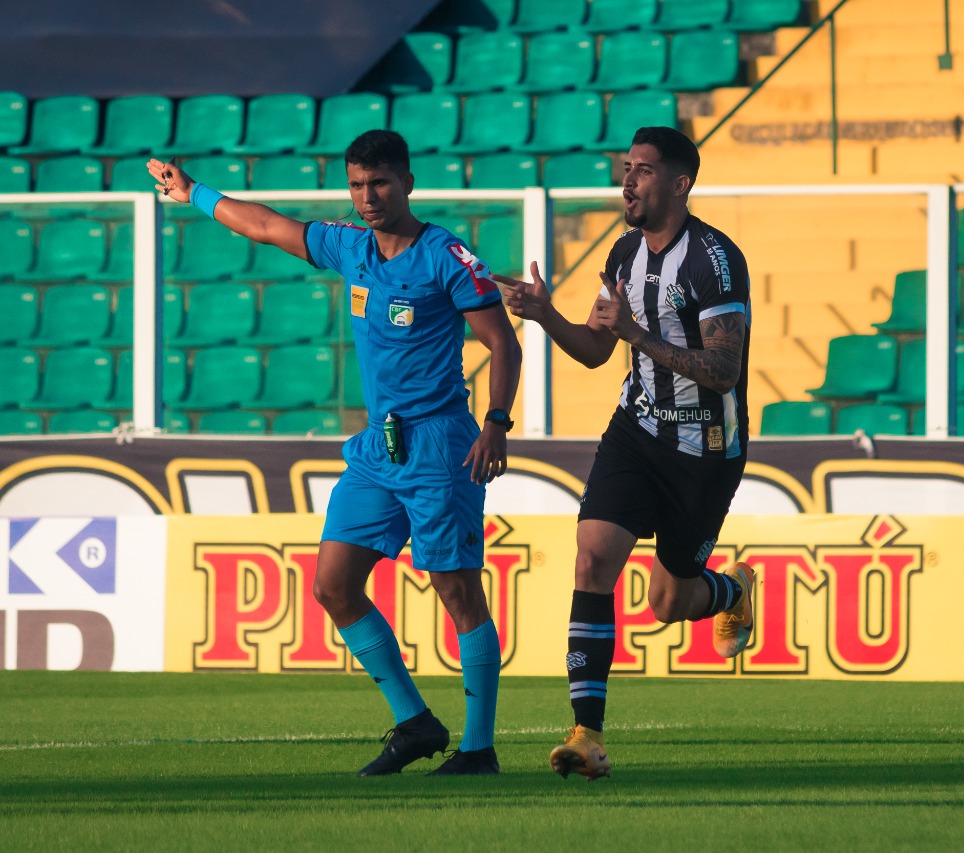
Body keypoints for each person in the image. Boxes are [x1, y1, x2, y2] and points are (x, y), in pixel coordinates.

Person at [147, 129, 522, 777]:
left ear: (407, 182)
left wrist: (495, 422)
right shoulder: (350, 246)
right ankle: (415, 723)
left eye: (379, 183)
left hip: (440, 445)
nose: (367, 196)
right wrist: (193, 194)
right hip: (377, 448)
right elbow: (266, 225)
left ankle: (479, 747)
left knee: (456, 589)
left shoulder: (445, 255)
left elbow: (501, 342)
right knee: (333, 584)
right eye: (356, 184)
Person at [494, 126, 754, 781]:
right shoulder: (622, 253)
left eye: (642, 170)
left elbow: (724, 369)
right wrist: (545, 314)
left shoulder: (715, 260)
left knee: (669, 602)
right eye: (626, 168)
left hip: (705, 448)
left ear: (680, 183)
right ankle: (587, 735)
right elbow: (595, 348)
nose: (627, 181)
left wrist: (637, 331)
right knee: (592, 556)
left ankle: (731, 588)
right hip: (636, 431)